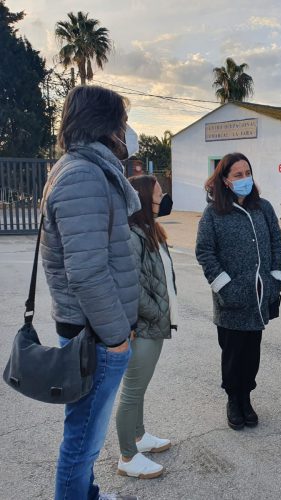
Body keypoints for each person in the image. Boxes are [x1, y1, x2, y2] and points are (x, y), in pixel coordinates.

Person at [41, 85, 141, 500]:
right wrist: (117, 336)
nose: (125, 130)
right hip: (95, 334)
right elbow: (86, 272)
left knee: (86, 433)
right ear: (105, 124)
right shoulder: (82, 174)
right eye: (121, 121)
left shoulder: (84, 168)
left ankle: (88, 494)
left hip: (94, 329)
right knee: (82, 439)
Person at [195, 152, 281, 430]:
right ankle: (233, 400)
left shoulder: (264, 208)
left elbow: (276, 244)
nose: (245, 179)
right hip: (231, 299)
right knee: (233, 353)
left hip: (259, 297)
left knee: (252, 353)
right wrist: (226, 287)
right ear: (225, 180)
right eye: (238, 175)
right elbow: (205, 252)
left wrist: (275, 279)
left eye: (248, 173)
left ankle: (246, 398)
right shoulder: (213, 214)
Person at [115, 175, 178, 479]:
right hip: (143, 326)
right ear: (143, 198)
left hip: (154, 323)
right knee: (132, 391)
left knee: (140, 389)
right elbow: (130, 285)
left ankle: (140, 437)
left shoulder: (149, 230)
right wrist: (154, 314)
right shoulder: (131, 234)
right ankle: (127, 455)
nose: (163, 197)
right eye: (158, 193)